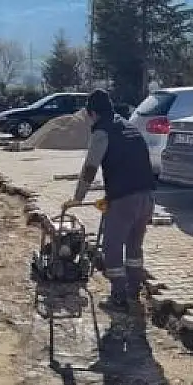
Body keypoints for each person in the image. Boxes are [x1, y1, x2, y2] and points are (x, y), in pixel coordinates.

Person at [63, 89, 156, 312]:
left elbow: (90, 168)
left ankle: (118, 296)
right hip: (147, 196)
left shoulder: (101, 132)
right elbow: (130, 163)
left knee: (111, 246)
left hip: (125, 199)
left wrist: (77, 198)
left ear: (92, 112)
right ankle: (134, 291)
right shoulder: (128, 126)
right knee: (134, 246)